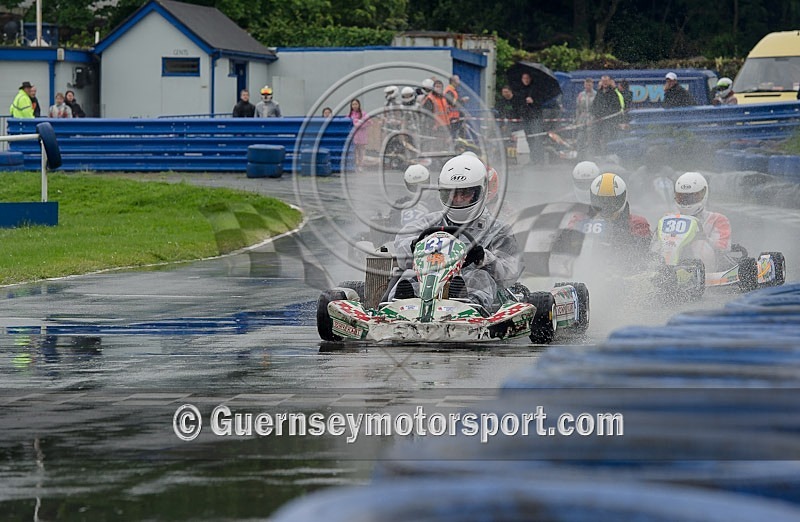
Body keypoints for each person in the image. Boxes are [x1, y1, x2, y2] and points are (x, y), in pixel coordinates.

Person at [391, 153, 523, 309]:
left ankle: (469, 305)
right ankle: (400, 305)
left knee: (479, 276)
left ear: (480, 192)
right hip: (431, 279)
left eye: (465, 193)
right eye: (452, 193)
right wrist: (415, 246)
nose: (458, 199)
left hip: (470, 288)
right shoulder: (430, 222)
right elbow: (401, 244)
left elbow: (510, 272)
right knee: (409, 274)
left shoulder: (498, 230)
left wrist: (483, 258)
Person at [672, 171, 731, 269]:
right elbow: (655, 247)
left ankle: (697, 271)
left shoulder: (718, 219)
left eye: (691, 198)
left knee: (700, 244)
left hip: (706, 268)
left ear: (703, 195)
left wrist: (701, 238)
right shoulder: (670, 218)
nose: (686, 202)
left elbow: (723, 248)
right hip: (671, 266)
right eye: (682, 198)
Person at [588, 172, 652, 257]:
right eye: (601, 201)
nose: (606, 207)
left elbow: (642, 255)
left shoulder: (637, 224)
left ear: (622, 199)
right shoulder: (584, 222)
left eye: (612, 202)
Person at [513, 72, 544, 163]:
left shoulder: (536, 89)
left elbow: (540, 103)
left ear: (530, 79)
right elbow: (519, 103)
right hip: (526, 117)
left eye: (527, 78)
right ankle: (533, 159)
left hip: (535, 117)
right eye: (524, 78)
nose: (525, 80)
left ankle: (539, 159)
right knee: (529, 138)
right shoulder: (520, 90)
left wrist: (533, 101)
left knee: (537, 138)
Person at [591, 75, 624, 153]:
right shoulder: (599, 92)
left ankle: (608, 153)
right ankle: (598, 153)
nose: (605, 83)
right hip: (599, 120)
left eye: (606, 81)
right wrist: (595, 114)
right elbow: (594, 105)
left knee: (607, 137)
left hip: (609, 120)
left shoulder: (613, 92)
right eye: (603, 81)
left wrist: (607, 114)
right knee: (595, 137)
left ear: (609, 82)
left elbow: (617, 106)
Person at [574, 78, 596, 153]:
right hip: (582, 118)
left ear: (592, 85)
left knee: (591, 136)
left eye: (589, 85)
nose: (588, 87)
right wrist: (577, 119)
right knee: (580, 136)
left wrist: (595, 118)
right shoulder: (581, 95)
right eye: (586, 85)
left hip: (592, 117)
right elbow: (578, 108)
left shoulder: (595, 94)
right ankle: (579, 152)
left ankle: (591, 152)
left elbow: (597, 107)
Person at [348, 98, 369, 172]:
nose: (354, 106)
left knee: (361, 152)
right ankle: (354, 165)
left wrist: (358, 124)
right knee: (353, 152)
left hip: (361, 136)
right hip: (353, 136)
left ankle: (360, 166)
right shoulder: (349, 115)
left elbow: (368, 122)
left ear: (359, 105)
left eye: (356, 104)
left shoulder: (363, 114)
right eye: (353, 104)